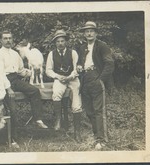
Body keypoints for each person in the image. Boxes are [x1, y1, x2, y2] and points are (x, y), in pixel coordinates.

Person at [0, 30, 48, 130]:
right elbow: (0, 74)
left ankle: (38, 119)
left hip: (15, 79)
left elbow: (20, 71)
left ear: (12, 40)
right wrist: (8, 89)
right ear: (1, 40)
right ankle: (13, 136)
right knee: (12, 107)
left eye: (10, 38)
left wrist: (32, 72)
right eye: (5, 38)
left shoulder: (15, 54)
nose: (8, 40)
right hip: (3, 82)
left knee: (34, 91)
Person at [77, 21, 114, 149]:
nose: (89, 33)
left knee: (99, 111)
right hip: (85, 80)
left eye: (91, 30)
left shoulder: (102, 46)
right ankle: (96, 136)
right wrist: (79, 67)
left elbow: (109, 64)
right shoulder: (82, 48)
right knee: (89, 111)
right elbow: (79, 63)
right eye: (86, 31)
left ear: (96, 33)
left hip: (97, 78)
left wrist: (101, 80)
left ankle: (102, 140)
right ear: (84, 34)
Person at [46, 29, 82, 142]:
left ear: (66, 42)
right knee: (56, 93)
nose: (60, 43)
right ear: (55, 43)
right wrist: (57, 76)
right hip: (60, 79)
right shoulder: (51, 54)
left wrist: (71, 76)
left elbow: (77, 68)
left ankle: (77, 132)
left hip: (72, 79)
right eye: (58, 41)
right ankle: (58, 119)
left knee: (76, 103)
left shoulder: (73, 53)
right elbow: (48, 70)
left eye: (62, 41)